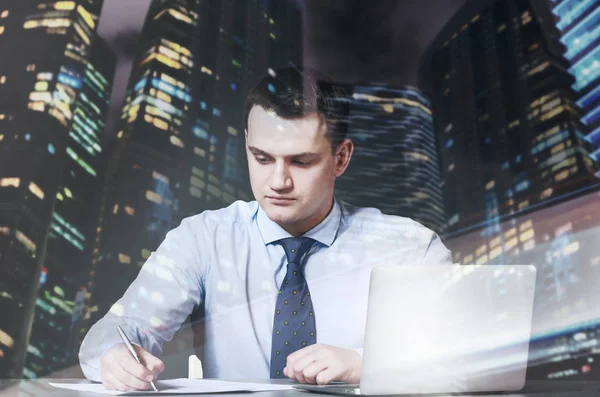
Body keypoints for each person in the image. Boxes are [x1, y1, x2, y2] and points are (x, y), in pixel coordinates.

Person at [78, 67, 453, 391]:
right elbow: (120, 330)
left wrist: (364, 365)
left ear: (341, 157)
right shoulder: (203, 238)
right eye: (261, 158)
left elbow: (464, 363)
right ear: (246, 145)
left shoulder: (410, 248)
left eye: (301, 162)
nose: (277, 181)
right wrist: (114, 357)